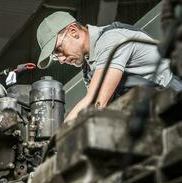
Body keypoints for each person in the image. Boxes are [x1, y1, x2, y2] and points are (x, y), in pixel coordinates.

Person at [36, 11, 181, 123]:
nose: (61, 60)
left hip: (175, 99)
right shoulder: (89, 67)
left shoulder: (111, 40)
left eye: (59, 50)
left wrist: (57, 140)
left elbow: (96, 102)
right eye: (56, 57)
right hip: (153, 112)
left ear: (73, 31)